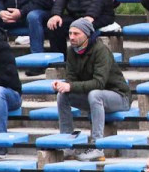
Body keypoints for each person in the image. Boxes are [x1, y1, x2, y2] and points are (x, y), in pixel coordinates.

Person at [53, 19, 130, 162]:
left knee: (95, 94)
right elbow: (71, 80)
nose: (72, 37)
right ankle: (67, 144)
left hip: (118, 96)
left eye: (76, 33)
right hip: (93, 97)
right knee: (62, 95)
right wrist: (62, 85)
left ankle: (97, 147)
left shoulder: (101, 50)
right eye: (70, 33)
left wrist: (71, 86)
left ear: (87, 35)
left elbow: (99, 83)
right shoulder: (71, 51)